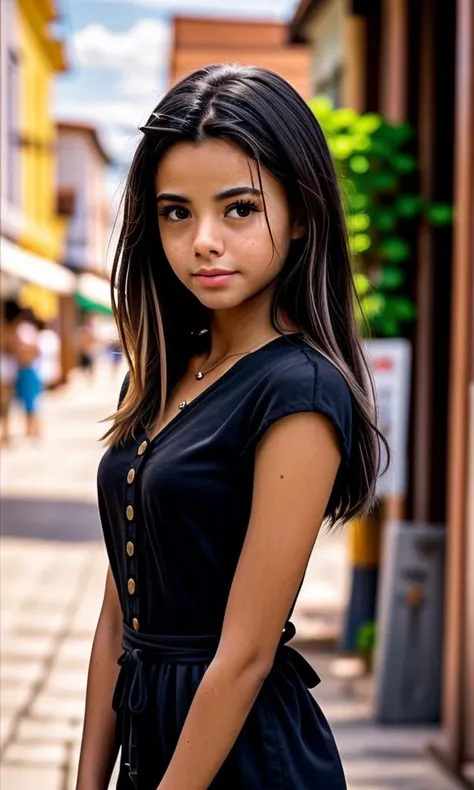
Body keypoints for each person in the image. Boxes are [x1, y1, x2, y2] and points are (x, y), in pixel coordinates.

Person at [76, 65, 388, 790]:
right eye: (175, 212)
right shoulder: (158, 374)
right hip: (149, 742)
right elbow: (118, 612)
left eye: (239, 209)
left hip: (243, 756)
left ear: (302, 211)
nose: (202, 240)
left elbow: (245, 654)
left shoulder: (299, 391)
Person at [13, 307, 43, 439]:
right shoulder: (32, 329)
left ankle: (30, 430)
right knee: (34, 401)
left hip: (26, 368)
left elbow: (23, 347)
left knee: (29, 402)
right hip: (33, 368)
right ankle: (34, 429)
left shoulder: (22, 329)